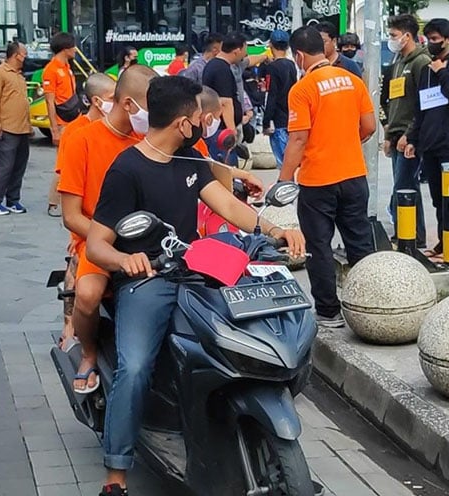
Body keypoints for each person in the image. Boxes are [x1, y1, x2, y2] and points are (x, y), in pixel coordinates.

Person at [86, 75, 304, 496]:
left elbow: (226, 204)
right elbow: (97, 244)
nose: (204, 124)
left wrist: (273, 229)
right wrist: (125, 259)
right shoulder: (127, 168)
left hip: (196, 269)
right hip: (147, 278)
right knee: (134, 368)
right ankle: (116, 475)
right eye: (198, 119)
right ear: (183, 123)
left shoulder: (190, 159)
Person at [60, 67, 152, 393]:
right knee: (87, 296)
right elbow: (71, 216)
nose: (152, 115)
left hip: (147, 239)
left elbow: (202, 166)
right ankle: (88, 352)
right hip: (96, 240)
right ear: (128, 104)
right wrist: (111, 243)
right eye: (147, 105)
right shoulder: (81, 139)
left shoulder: (150, 139)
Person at [278, 26, 376, 328]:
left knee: (318, 246)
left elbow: (297, 140)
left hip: (317, 182)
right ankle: (370, 307)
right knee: (359, 242)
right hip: (354, 176)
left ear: (298, 55)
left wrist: (283, 180)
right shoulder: (352, 80)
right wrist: (345, 143)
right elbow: (369, 126)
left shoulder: (303, 89)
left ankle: (329, 312)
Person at [54, 73, 117, 351]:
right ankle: (72, 325)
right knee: (78, 264)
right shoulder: (76, 133)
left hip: (116, 218)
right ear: (96, 100)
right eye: (112, 99)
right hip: (87, 221)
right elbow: (66, 180)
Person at [405, 19, 449, 260]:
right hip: (431, 144)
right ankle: (443, 241)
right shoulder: (426, 70)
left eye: (435, 39)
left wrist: (443, 72)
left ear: (447, 39)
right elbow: (421, 108)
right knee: (438, 200)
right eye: (428, 39)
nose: (430, 44)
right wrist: (414, 139)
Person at [380, 14, 430, 248]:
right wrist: (389, 133)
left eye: (393, 35)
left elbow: (422, 105)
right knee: (404, 186)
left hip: (410, 136)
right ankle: (406, 232)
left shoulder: (421, 62)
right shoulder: (398, 61)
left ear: (407, 36)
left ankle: (412, 235)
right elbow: (393, 100)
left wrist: (409, 135)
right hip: (396, 133)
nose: (391, 40)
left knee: (405, 186)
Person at [0, 42, 31, 215]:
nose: (25, 56)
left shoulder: (19, 75)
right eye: (24, 53)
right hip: (7, 127)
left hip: (22, 128)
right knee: (5, 166)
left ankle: (13, 200)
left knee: (19, 166)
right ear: (16, 55)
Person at [43, 32, 78, 217]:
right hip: (62, 122)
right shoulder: (51, 69)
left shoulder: (67, 67)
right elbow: (50, 101)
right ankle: (53, 202)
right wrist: (54, 129)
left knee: (71, 162)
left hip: (72, 120)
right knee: (63, 164)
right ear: (65, 48)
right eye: (73, 46)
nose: (75, 49)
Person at [203, 32, 247, 165]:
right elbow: (225, 103)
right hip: (221, 133)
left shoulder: (214, 65)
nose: (245, 54)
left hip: (216, 129)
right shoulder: (221, 69)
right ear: (237, 50)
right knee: (226, 170)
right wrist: (232, 132)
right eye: (245, 50)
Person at [262, 30, 297, 169]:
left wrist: (266, 121)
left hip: (278, 120)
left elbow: (272, 95)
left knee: (282, 163)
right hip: (290, 117)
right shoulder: (291, 65)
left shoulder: (272, 67)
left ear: (271, 44)